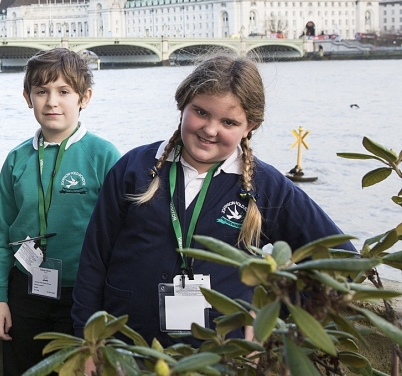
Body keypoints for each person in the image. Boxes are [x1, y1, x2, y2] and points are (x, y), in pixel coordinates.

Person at [71, 53, 354, 345]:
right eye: (201, 112)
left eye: (229, 122)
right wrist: (87, 339)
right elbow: (94, 260)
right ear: (183, 104)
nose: (209, 130)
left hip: (217, 359)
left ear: (250, 126)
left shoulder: (266, 186)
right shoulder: (135, 168)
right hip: (125, 349)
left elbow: (343, 260)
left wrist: (274, 314)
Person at [0, 48, 120, 375]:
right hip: (26, 289)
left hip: (84, 292)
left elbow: (121, 234)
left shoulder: (104, 156)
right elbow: (1, 230)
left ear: (84, 97)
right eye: (41, 91)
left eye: (63, 92)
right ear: (27, 97)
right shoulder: (17, 159)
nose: (51, 102)